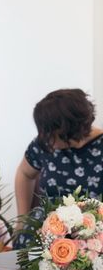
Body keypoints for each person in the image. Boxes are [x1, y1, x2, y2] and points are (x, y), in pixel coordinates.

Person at [15, 88, 103, 218]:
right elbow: (25, 174)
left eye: (49, 131)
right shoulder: (43, 143)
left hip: (93, 231)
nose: (44, 136)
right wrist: (22, 219)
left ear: (68, 129)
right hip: (45, 228)